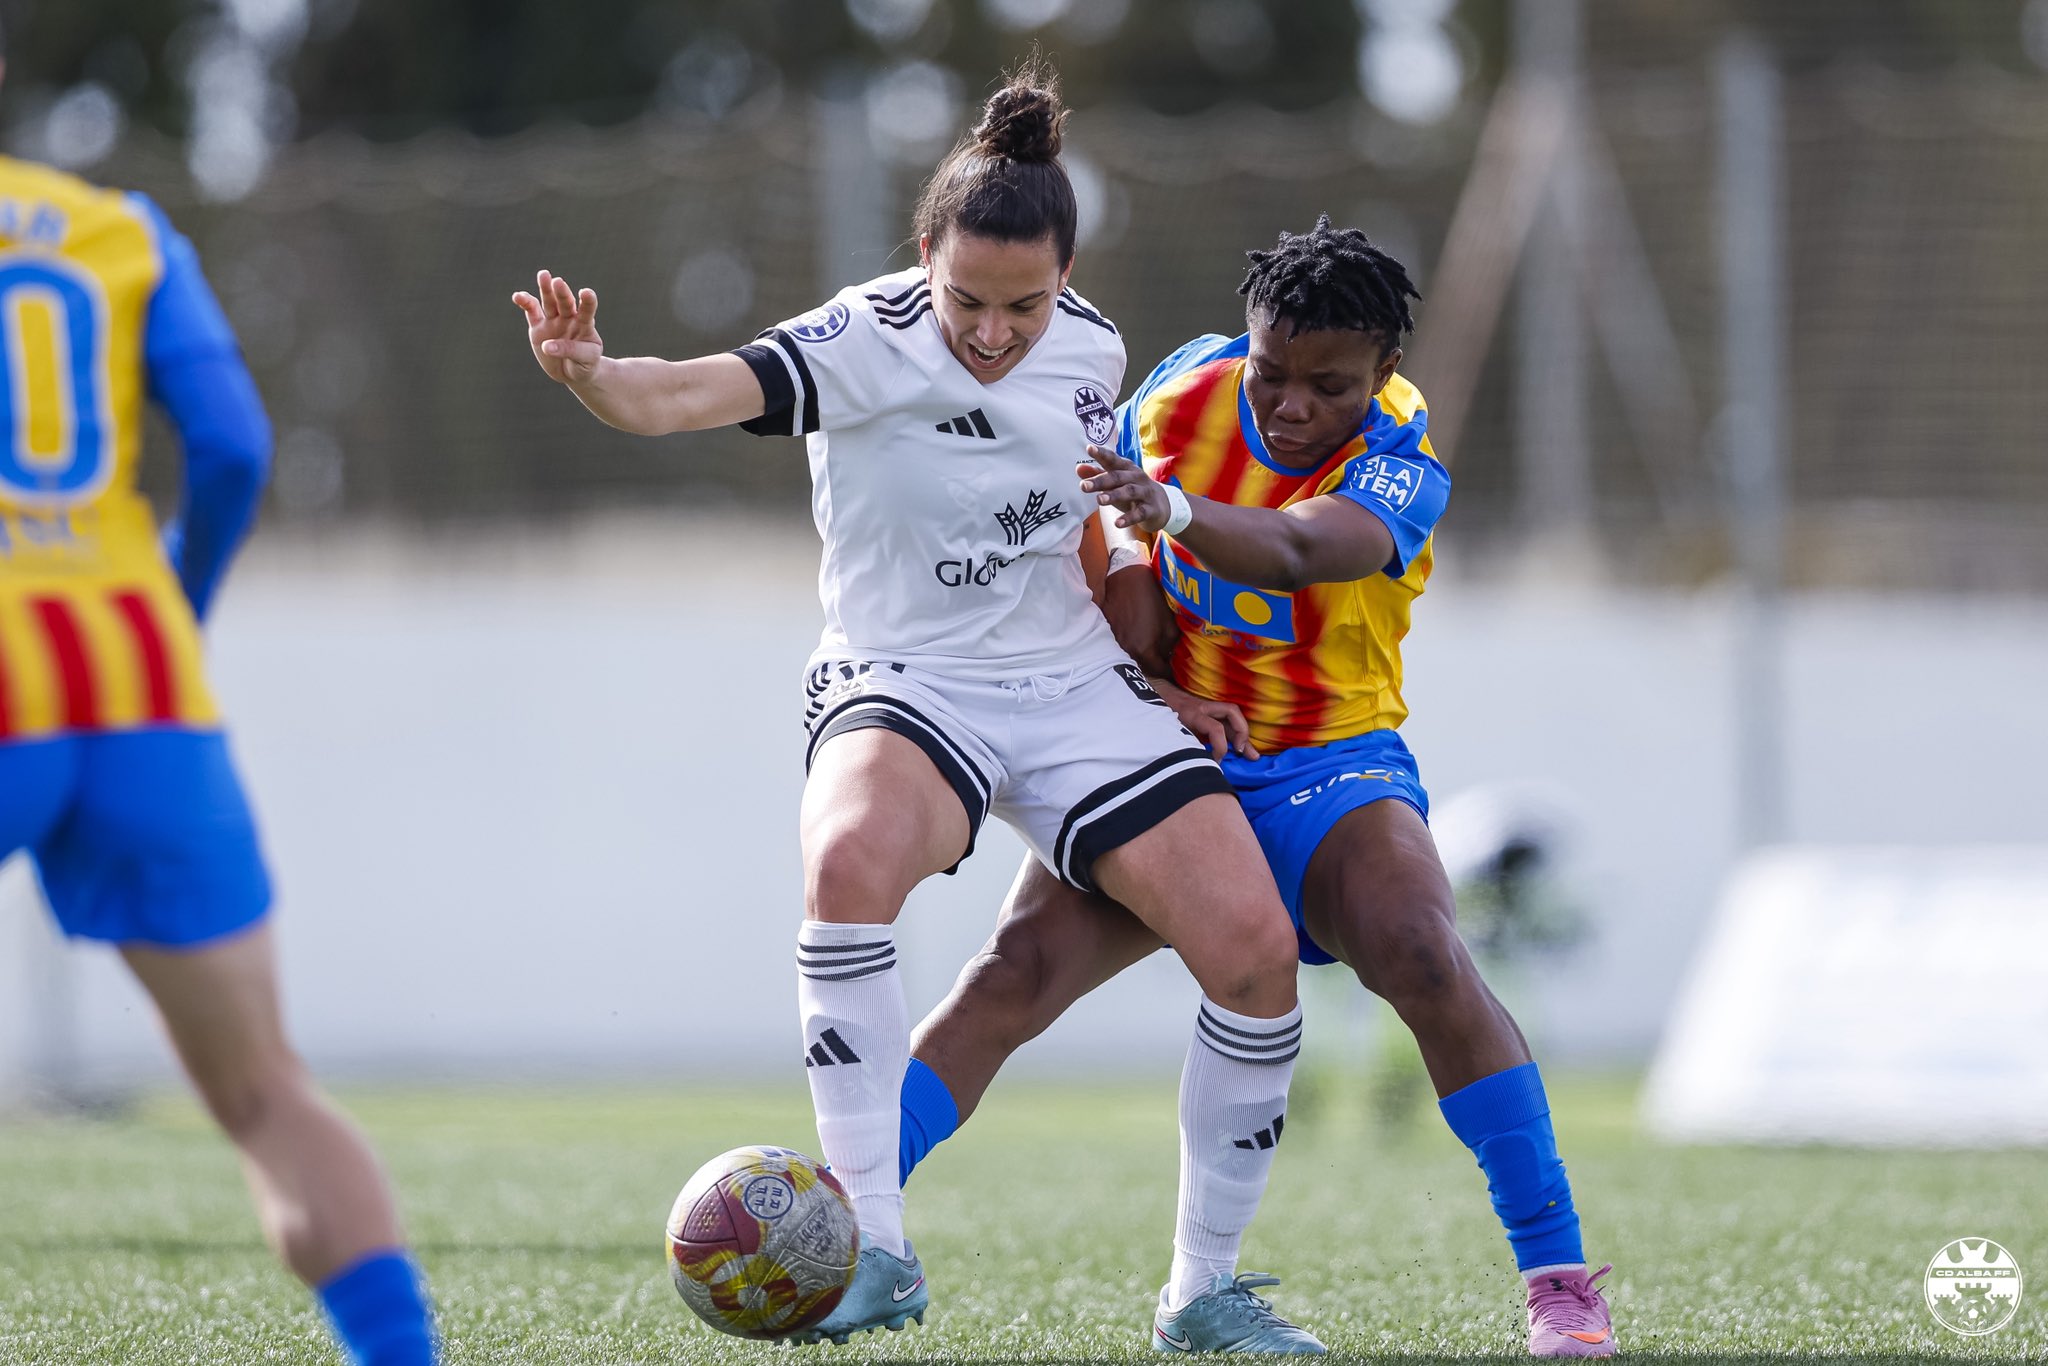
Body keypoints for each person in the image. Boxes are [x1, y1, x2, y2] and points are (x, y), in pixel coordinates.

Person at [516, 66, 1325, 1354]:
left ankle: (1202, 1292)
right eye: (966, 300)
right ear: (922, 261)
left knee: (1254, 948)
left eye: (1023, 304)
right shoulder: (859, 338)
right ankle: (876, 1250)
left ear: (1065, 276)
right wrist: (590, 375)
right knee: (845, 859)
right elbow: (677, 393)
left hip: (1071, 685)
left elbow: (1082, 526)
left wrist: (1152, 677)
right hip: (906, 677)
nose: (993, 332)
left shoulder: (1094, 346)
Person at [895, 218, 1619, 1358]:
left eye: (1328, 386)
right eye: (1271, 371)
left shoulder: (1400, 445)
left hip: (1328, 762)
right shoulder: (1179, 391)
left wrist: (1170, 515)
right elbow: (1088, 533)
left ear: (1381, 371)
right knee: (1011, 971)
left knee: (1425, 954)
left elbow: (1299, 551)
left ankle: (1559, 1280)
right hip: (1165, 755)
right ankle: (841, 1213)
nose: (1288, 405)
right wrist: (1140, 643)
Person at [0, 51, 438, 1366]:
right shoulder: (118, 229)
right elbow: (236, 446)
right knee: (263, 1091)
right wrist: (174, 608)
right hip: (138, 680)